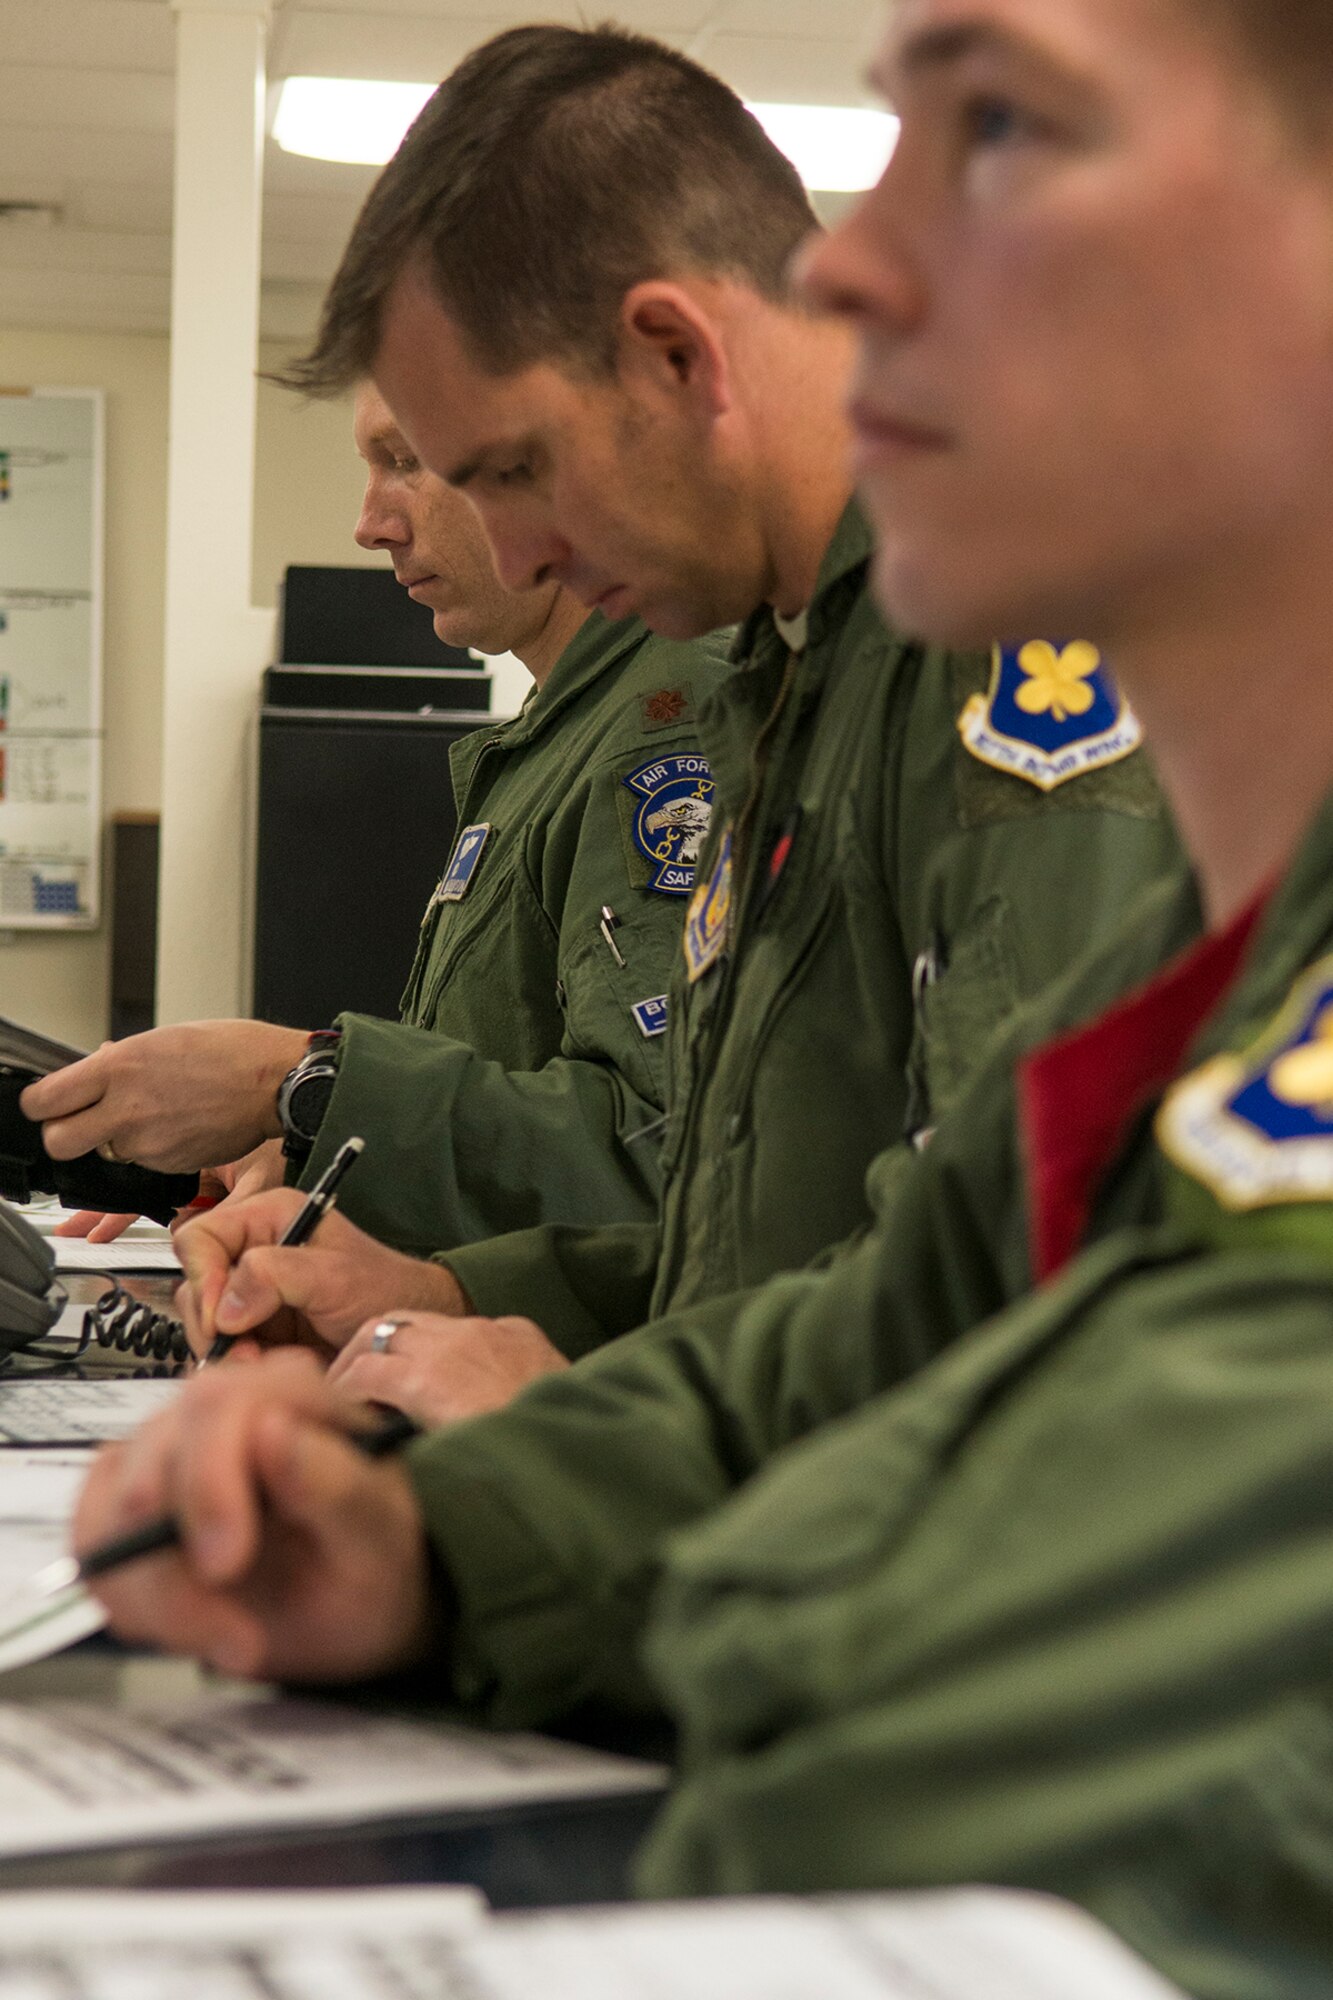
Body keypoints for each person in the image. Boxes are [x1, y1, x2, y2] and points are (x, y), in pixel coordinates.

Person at [76, 0, 1333, 1986]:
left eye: (1000, 125)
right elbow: (878, 1297)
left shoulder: (1011, 704)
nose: (842, 259)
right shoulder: (1249, 934)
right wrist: (442, 1542)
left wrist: (581, 1519)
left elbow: (950, 1716)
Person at [142, 22, 1181, 1401]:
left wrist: (558, 1453)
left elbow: (1016, 1318)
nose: (513, 557)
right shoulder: (786, 667)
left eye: (515, 469)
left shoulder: (1003, 637)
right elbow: (777, 1235)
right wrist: (454, 1292)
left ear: (675, 358)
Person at [25, 381, 733, 1257]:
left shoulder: (669, 729)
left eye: (406, 462)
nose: (371, 525)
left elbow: (663, 1154)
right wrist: (319, 1151)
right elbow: (512, 1088)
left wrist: (296, 1080)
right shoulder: (557, 736)